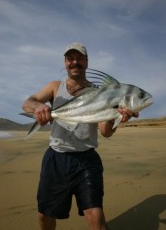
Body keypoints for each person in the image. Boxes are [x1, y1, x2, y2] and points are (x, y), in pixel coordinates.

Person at [22, 43, 138, 230]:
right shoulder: (55, 87)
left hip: (87, 160)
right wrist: (39, 108)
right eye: (70, 58)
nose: (75, 62)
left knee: (96, 216)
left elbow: (106, 132)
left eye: (80, 58)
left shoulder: (100, 92)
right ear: (65, 62)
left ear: (86, 61)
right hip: (57, 158)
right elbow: (28, 103)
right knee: (44, 215)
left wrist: (116, 116)